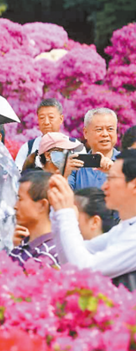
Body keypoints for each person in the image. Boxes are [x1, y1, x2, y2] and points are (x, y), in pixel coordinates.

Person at [48, 150, 136, 290]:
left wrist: (66, 212)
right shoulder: (126, 228)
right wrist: (57, 210)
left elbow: (85, 269)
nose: (104, 186)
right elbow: (70, 260)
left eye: (111, 178)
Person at [9, 169, 60, 268]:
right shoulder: (25, 243)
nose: (15, 206)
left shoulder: (48, 256)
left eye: (20, 199)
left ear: (42, 205)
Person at [67, 108, 119, 190]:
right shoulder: (77, 165)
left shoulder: (127, 162)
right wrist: (65, 172)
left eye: (110, 129)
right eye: (99, 129)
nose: (105, 134)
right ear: (86, 133)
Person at [15, 98, 75, 169]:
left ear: (61, 119)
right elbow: (17, 175)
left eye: (51, 117)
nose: (46, 122)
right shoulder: (28, 148)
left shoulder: (75, 146)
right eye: (42, 117)